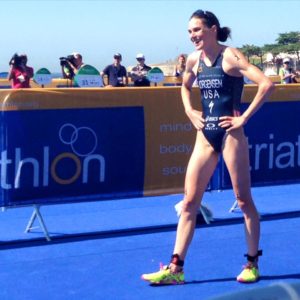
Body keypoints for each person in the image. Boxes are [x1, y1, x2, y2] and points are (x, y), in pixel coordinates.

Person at [141, 9, 274, 285]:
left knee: (243, 201)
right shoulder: (194, 59)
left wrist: (244, 118)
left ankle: (252, 264)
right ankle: (176, 269)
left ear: (213, 29)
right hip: (205, 135)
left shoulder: (231, 56)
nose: (192, 36)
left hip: (230, 134)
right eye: (189, 32)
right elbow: (184, 86)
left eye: (197, 30)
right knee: (189, 202)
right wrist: (190, 111)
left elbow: (267, 83)